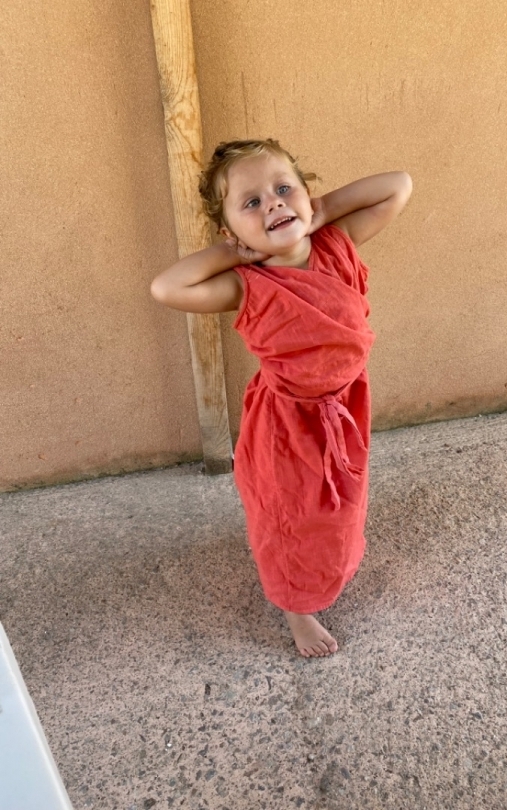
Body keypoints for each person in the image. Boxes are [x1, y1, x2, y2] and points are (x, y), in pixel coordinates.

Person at [151, 139, 412, 657]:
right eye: (251, 203)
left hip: (345, 408)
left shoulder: (337, 244)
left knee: (338, 504)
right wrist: (235, 253)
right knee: (291, 516)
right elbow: (166, 287)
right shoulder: (246, 285)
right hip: (287, 426)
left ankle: (329, 563)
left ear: (306, 194)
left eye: (284, 189)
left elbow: (398, 186)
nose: (273, 203)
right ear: (230, 231)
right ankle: (296, 606)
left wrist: (324, 210)